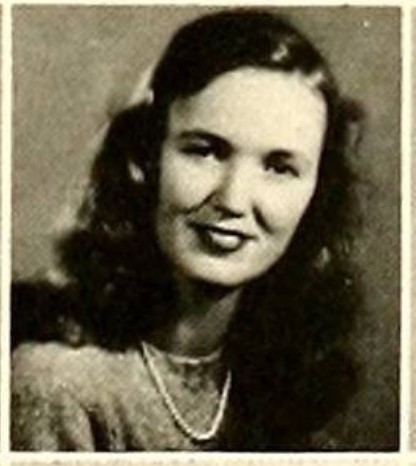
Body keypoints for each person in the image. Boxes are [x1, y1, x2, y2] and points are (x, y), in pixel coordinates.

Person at [12, 8, 363, 451]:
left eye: (279, 166)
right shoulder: (58, 386)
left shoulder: (285, 387)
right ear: (146, 159)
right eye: (206, 151)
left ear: (317, 192)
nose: (233, 200)